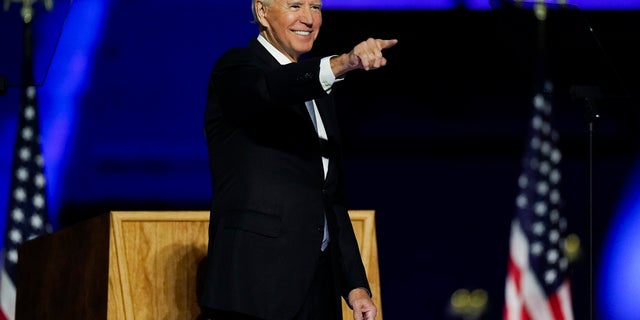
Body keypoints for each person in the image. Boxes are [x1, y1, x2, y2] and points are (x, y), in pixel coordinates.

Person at [199, 0, 397, 319]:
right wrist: (343, 63)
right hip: (253, 287)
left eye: (315, 7)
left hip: (317, 287)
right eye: (295, 5)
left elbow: (328, 195)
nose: (308, 18)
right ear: (262, 12)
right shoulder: (236, 68)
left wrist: (355, 285)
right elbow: (272, 88)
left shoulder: (320, 93)